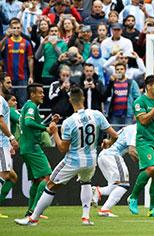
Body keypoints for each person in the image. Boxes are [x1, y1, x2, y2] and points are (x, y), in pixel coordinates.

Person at [15, 87, 119, 226]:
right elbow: (115, 135)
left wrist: (55, 132)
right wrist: (108, 142)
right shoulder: (97, 115)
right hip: (91, 160)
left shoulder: (69, 122)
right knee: (86, 182)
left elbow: (63, 148)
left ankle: (32, 219)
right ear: (82, 98)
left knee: (50, 185)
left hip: (73, 160)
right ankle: (86, 218)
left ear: (70, 100)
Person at [128, 75, 154, 217]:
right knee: (151, 168)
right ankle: (133, 197)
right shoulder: (140, 101)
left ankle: (152, 208)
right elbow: (142, 120)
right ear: (148, 86)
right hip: (144, 141)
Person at [19, 83, 57, 217]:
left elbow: (30, 124)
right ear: (32, 94)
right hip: (32, 147)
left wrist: (47, 125)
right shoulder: (31, 106)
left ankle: (30, 210)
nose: (43, 95)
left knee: (37, 180)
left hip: (26, 147)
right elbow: (29, 123)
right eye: (40, 92)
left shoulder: (28, 107)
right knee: (47, 177)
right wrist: (45, 128)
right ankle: (34, 211)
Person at [92, 124, 136, 217]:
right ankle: (105, 209)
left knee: (115, 185)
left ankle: (98, 190)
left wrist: (107, 142)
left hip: (103, 155)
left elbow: (114, 138)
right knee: (124, 185)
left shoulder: (128, 128)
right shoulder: (136, 130)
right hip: (113, 155)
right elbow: (132, 151)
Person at [0, 74, 19, 218]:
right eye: (8, 82)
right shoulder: (0, 101)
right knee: (5, 174)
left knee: (12, 176)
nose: (11, 85)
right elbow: (1, 122)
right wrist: (11, 138)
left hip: (4, 143)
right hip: (1, 143)